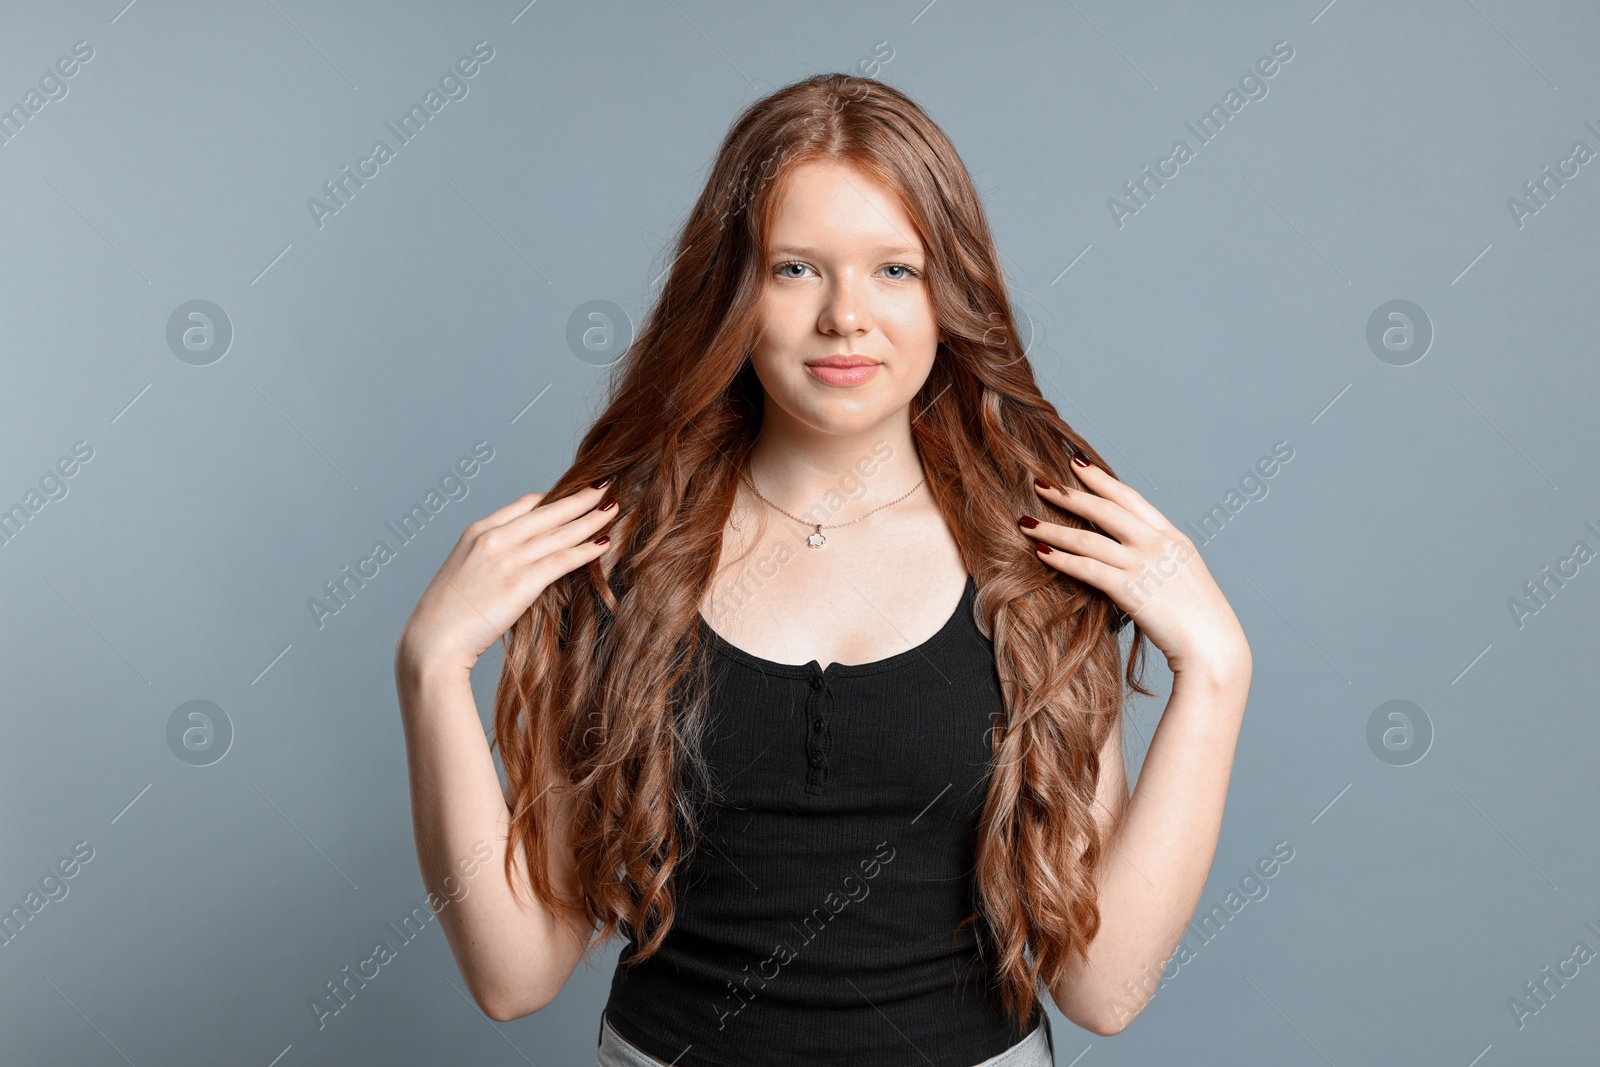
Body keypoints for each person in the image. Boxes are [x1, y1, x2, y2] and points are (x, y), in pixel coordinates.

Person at [394, 73, 1252, 1067]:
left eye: (894, 269)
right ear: (734, 290)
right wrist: (431, 665)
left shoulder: (1036, 570)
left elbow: (1104, 989)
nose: (846, 315)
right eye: (797, 267)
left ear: (948, 296)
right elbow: (514, 975)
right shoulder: (619, 559)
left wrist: (1216, 672)